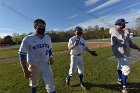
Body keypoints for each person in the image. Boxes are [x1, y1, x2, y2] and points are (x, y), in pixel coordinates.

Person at [19, 19, 56, 93]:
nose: (43, 28)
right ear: (35, 26)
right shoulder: (28, 39)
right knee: (33, 84)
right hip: (34, 65)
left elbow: (49, 49)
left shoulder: (48, 38)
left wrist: (51, 58)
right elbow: (22, 55)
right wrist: (25, 70)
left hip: (46, 65)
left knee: (51, 85)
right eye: (41, 26)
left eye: (44, 26)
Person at [109, 18, 140, 93]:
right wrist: (126, 33)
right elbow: (122, 41)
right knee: (126, 69)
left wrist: (138, 48)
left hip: (124, 53)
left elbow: (130, 43)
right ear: (119, 24)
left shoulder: (122, 32)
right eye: (124, 24)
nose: (125, 25)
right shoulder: (115, 31)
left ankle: (119, 79)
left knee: (120, 66)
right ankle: (123, 87)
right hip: (119, 53)